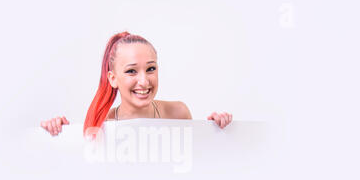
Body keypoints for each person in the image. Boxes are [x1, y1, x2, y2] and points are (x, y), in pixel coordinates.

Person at [41, 31, 232, 137]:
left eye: (150, 69)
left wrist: (215, 128)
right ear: (112, 78)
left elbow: (196, 162)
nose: (144, 81)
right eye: (131, 71)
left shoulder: (178, 113)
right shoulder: (102, 123)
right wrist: (58, 131)